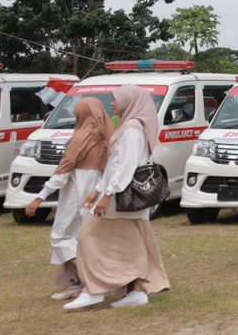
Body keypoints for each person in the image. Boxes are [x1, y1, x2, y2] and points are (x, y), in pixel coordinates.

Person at [66, 86, 170, 311]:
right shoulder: (128, 126)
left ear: (129, 101)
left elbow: (125, 166)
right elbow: (115, 165)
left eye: (116, 100)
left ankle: (97, 289)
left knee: (88, 237)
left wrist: (107, 194)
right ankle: (132, 290)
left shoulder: (132, 129)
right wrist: (98, 190)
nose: (112, 104)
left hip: (120, 197)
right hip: (118, 196)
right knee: (128, 245)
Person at [25, 97, 111, 300]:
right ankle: (77, 283)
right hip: (95, 193)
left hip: (77, 193)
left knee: (62, 237)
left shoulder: (80, 137)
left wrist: (39, 197)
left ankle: (87, 281)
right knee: (84, 239)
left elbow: (64, 170)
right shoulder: (104, 137)